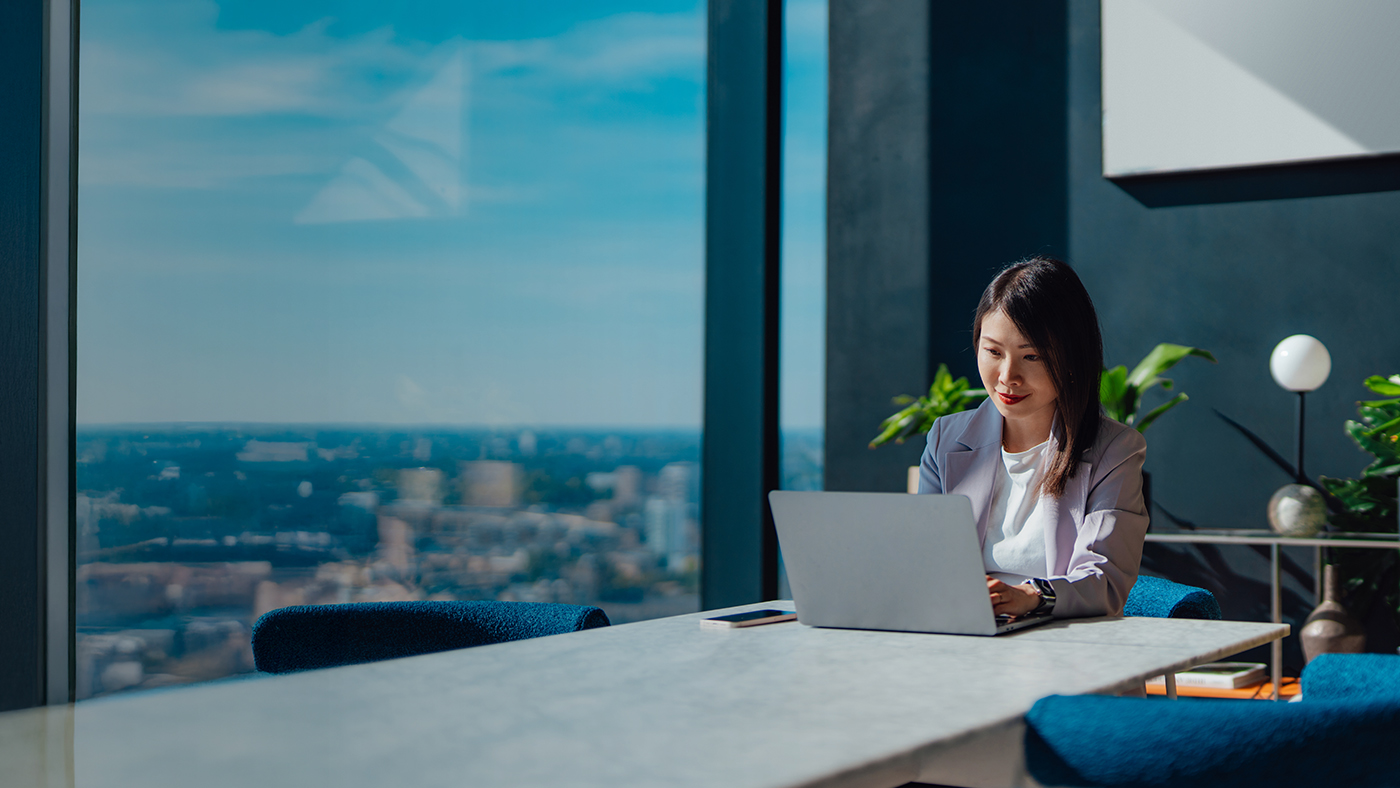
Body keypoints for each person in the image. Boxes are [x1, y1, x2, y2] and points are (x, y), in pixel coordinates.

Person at [917, 256, 1147, 619]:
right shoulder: (946, 439)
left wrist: (1034, 596)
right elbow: (923, 560)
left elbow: (1105, 579)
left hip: (1066, 651)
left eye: (1032, 356)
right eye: (993, 351)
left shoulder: (1115, 450)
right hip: (966, 642)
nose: (1008, 376)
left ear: (1072, 359)